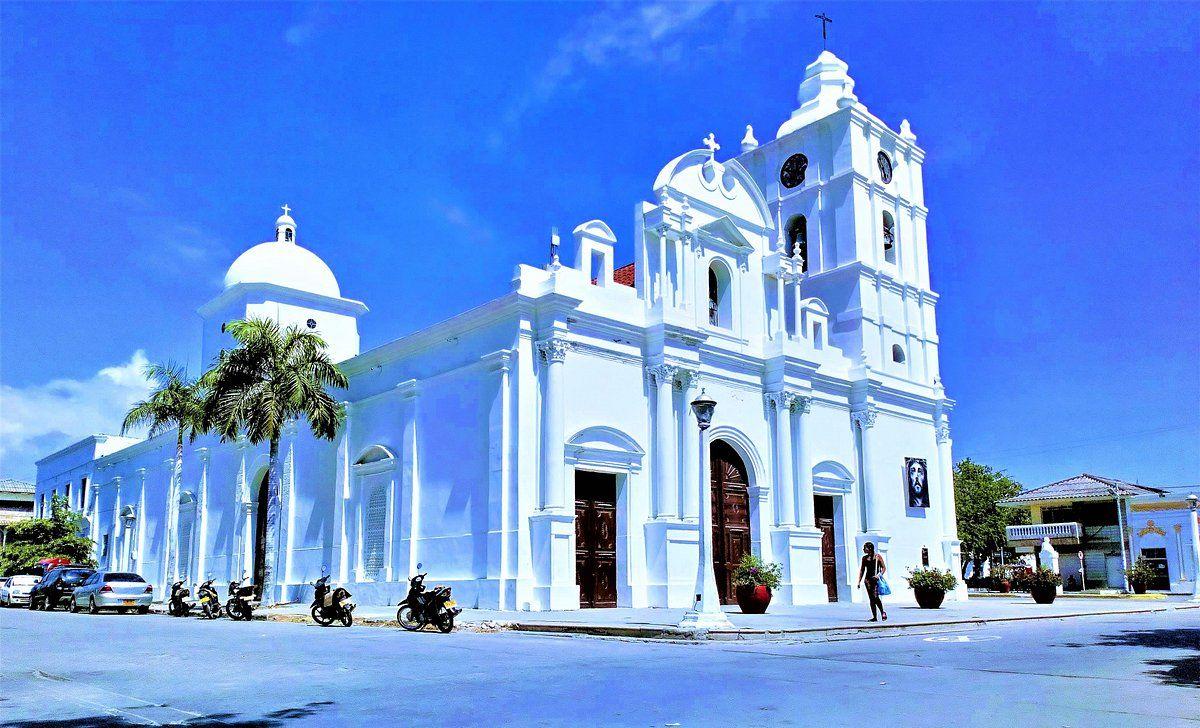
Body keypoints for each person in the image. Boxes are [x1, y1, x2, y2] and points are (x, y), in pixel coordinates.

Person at [856, 541, 887, 622]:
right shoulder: (864, 558)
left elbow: (884, 568)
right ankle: (874, 617)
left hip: (875, 580)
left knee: (876, 597)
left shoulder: (878, 557)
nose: (863, 549)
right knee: (871, 599)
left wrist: (878, 575)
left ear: (870, 548)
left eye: (865, 548)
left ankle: (882, 612)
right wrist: (859, 581)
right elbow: (862, 570)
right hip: (868, 580)